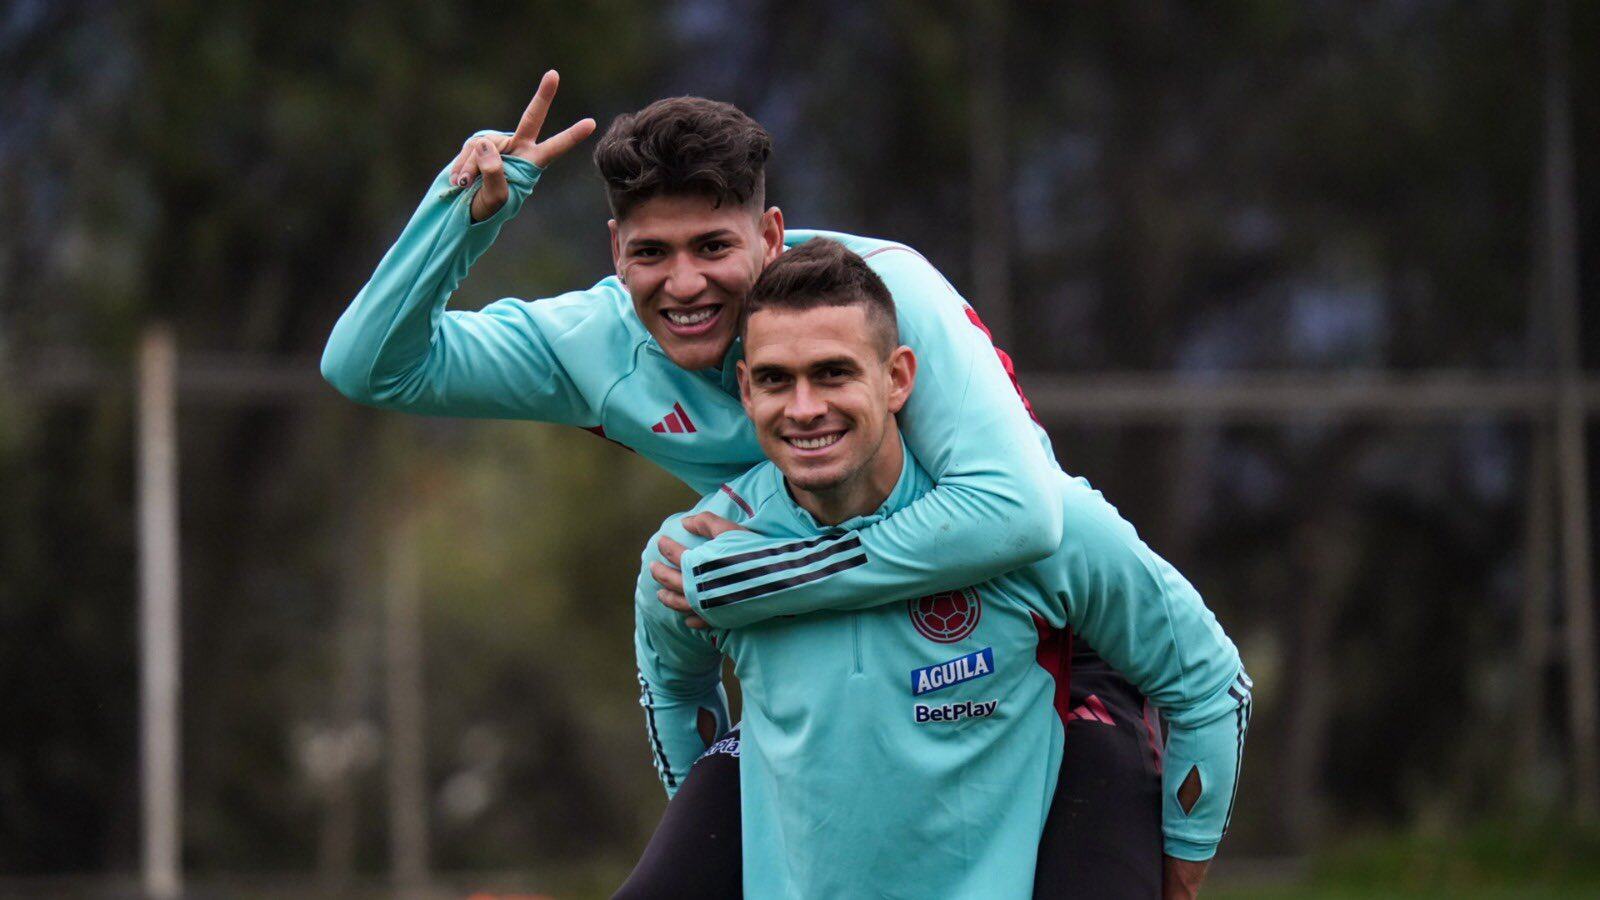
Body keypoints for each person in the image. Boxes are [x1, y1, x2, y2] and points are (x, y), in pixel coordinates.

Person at [321, 72, 1179, 896]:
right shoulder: (590, 342)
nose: (684, 283)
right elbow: (369, 367)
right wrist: (460, 214)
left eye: (713, 247)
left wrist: (762, 577)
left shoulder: (885, 290)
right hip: (813, 656)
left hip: (1023, 648)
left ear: (770, 237)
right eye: (652, 251)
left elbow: (1018, 515)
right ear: (615, 249)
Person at [625, 239, 1248, 898]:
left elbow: (1209, 686)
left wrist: (1180, 872)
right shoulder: (692, 556)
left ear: (897, 378)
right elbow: (675, 693)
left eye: (834, 373)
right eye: (778, 379)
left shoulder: (1039, 529)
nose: (806, 408)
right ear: (746, 389)